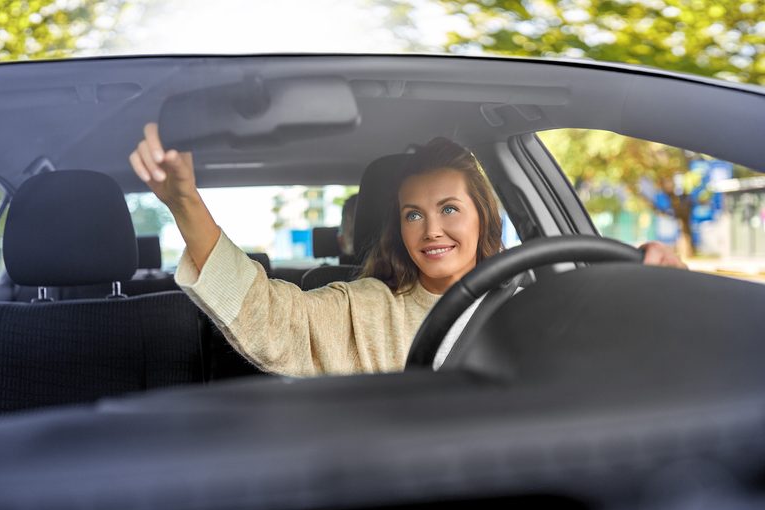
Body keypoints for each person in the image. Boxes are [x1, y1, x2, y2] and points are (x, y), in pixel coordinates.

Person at [129, 124, 686, 377]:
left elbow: (624, 353)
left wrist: (659, 290)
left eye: (449, 208)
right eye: (412, 214)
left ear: (482, 216)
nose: (431, 230)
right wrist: (188, 209)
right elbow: (274, 318)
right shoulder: (366, 307)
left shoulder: (544, 297)